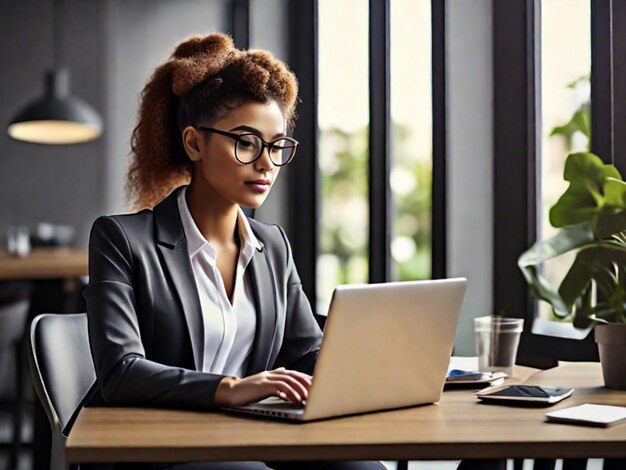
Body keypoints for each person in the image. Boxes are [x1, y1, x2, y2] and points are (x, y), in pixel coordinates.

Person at [83, 32, 384, 470]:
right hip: (155, 444)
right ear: (194, 143)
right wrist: (229, 388)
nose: (266, 163)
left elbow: (306, 352)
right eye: (246, 142)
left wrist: (367, 366)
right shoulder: (121, 240)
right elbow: (122, 373)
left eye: (277, 145)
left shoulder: (272, 246)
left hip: (253, 433)